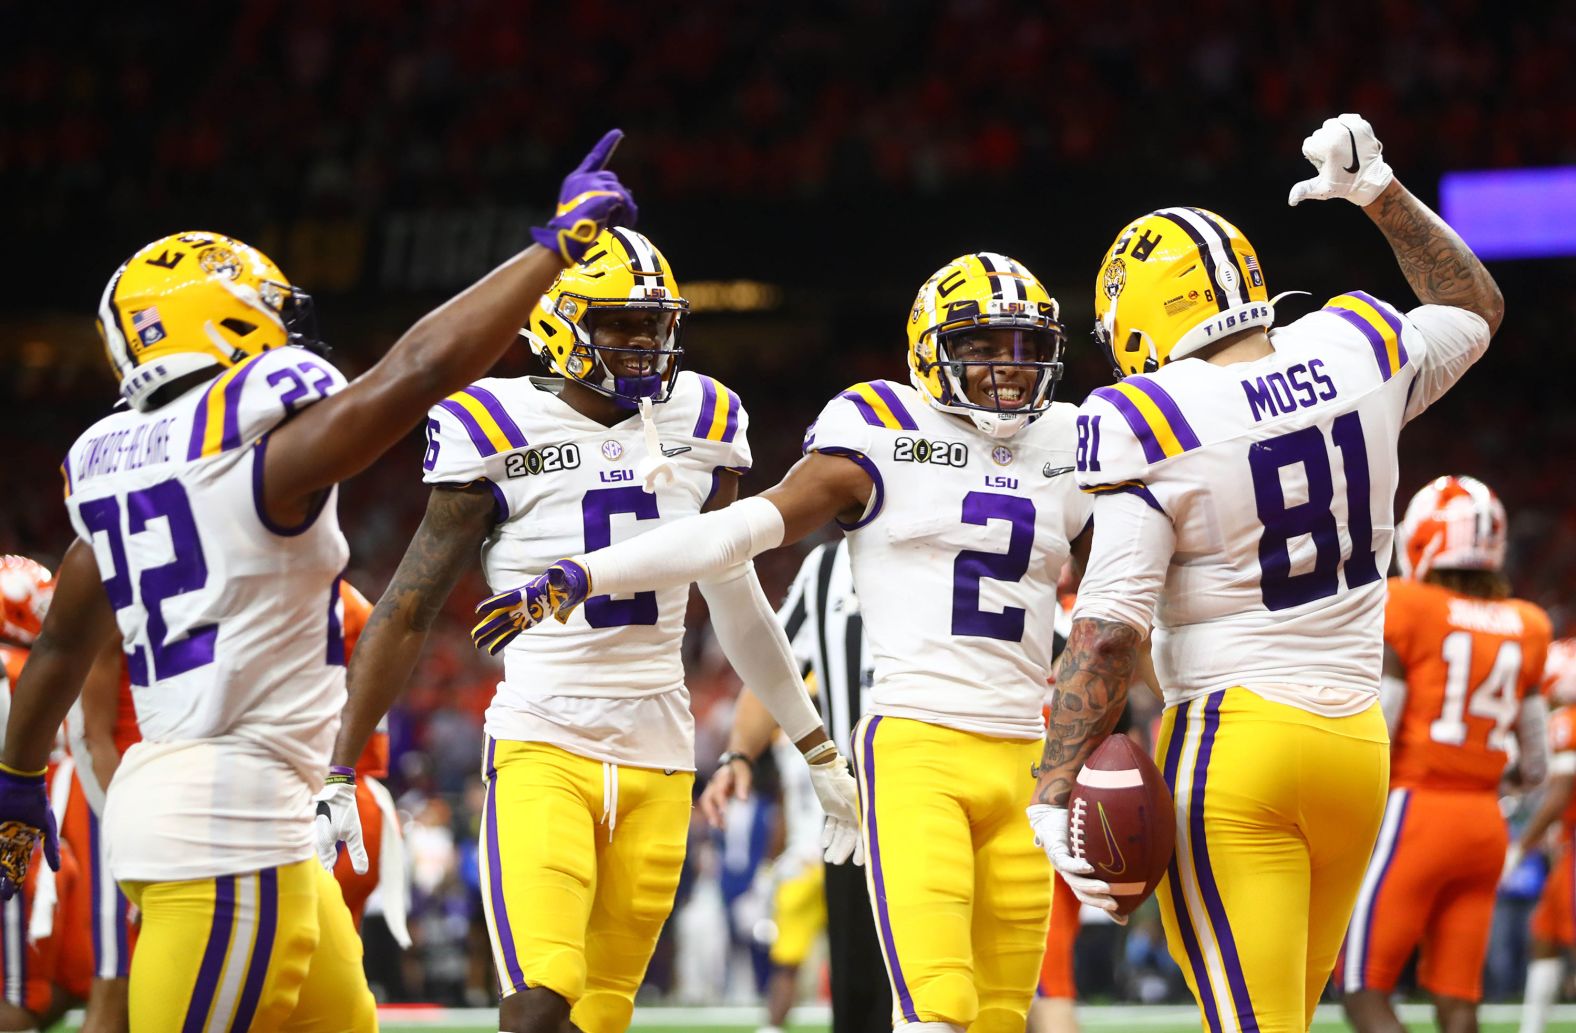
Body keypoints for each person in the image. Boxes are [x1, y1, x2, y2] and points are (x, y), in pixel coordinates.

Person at [0, 129, 638, 1032]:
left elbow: (64, 638)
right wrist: (549, 251)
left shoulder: (114, 469)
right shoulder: (256, 455)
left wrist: (18, 776)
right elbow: (420, 371)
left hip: (247, 827)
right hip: (226, 838)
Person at [498, 251, 1095, 1032]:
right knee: (938, 1007)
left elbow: (1127, 588)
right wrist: (587, 573)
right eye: (983, 347)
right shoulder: (881, 428)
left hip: (1026, 751)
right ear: (932, 348)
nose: (1010, 370)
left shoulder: (1076, 437)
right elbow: (732, 536)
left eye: (1024, 345)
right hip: (920, 746)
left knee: (1005, 1017)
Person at [311, 226, 859, 1033]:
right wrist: (339, 765)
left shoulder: (708, 416)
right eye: (620, 325)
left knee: (601, 1018)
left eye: (654, 324)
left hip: (661, 758)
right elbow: (409, 605)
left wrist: (815, 748)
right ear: (560, 323)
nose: (644, 344)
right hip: (545, 740)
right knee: (535, 1009)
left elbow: (737, 600)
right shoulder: (493, 422)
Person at [1026, 112, 1505, 1033]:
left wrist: (1054, 783)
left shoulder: (1144, 412)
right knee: (1280, 1016)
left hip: (1237, 744)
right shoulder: (1355, 342)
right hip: (1356, 749)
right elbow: (1476, 309)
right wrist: (1382, 195)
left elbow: (1112, 620)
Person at [1341, 476, 1550, 1033]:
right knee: (1458, 1000)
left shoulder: (1408, 604)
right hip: (1484, 823)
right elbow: (1536, 764)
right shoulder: (1528, 624)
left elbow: (1380, 722)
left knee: (1362, 989)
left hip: (1418, 811)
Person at [701, 538, 893, 1033]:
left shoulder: (960, 538)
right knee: (860, 990)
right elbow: (775, 669)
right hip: (856, 813)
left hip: (948, 794)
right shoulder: (827, 568)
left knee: (958, 982)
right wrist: (739, 752)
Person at [1513, 637, 1576, 1033]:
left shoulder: (1568, 720)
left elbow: (1561, 792)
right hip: (1568, 846)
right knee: (1545, 935)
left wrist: (1520, 847)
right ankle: (1531, 1027)